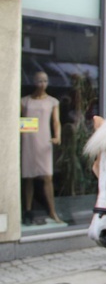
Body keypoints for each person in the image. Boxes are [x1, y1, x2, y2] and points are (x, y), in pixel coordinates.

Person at [21, 71, 63, 226]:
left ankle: (52, 211)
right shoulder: (25, 101)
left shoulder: (52, 101)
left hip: (44, 141)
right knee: (29, 177)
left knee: (47, 177)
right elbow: (18, 120)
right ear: (34, 81)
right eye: (39, 80)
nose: (42, 84)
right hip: (28, 140)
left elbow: (56, 121)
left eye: (45, 80)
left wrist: (57, 136)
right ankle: (28, 210)